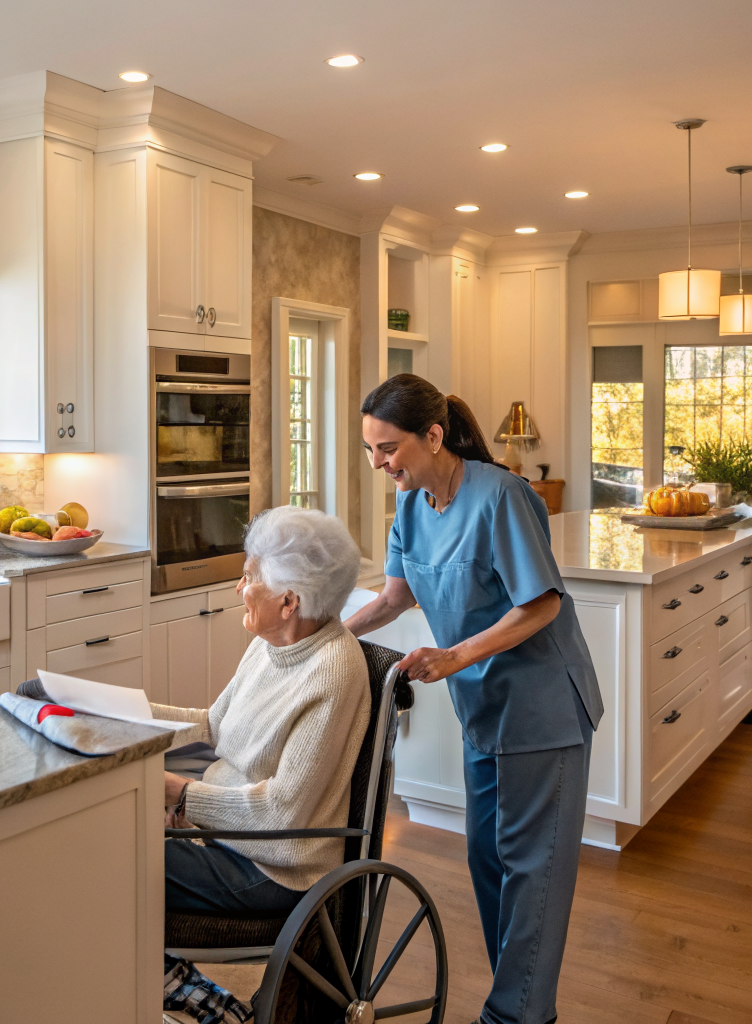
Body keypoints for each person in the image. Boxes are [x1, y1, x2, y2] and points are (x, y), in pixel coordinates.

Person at [344, 374, 604, 1024]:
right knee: (485, 858)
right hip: (481, 712)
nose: (378, 463)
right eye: (369, 450)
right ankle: (516, 999)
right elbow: (393, 597)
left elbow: (541, 603)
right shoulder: (410, 507)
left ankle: (517, 1015)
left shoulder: (502, 496)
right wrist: (320, 638)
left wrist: (452, 656)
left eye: (387, 448)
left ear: (432, 436)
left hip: (543, 709)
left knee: (531, 870)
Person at [153, 504, 369, 1023]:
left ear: (289, 601)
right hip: (221, 839)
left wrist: (178, 791)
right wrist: (116, 715)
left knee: (110, 858)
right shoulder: (271, 643)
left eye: (249, 577)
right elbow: (214, 724)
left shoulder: (332, 672)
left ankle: (194, 997)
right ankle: (173, 989)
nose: (239, 588)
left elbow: (282, 817)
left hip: (270, 869)